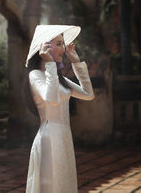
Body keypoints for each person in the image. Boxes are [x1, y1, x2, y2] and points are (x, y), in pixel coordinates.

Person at [25, 25, 95, 193]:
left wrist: (77, 63)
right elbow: (51, 99)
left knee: (64, 185)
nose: (63, 48)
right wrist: (49, 63)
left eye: (62, 43)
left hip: (64, 137)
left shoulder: (59, 78)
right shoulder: (35, 75)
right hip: (49, 139)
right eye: (58, 43)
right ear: (44, 46)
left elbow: (88, 94)